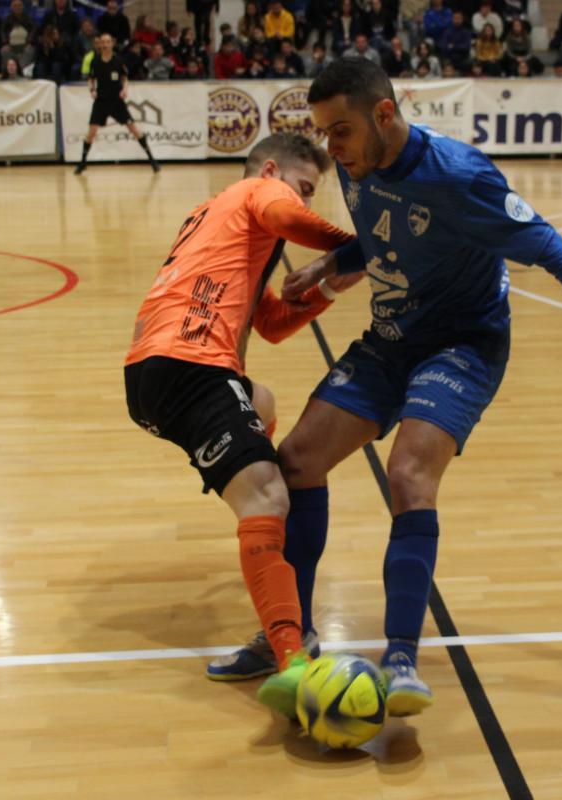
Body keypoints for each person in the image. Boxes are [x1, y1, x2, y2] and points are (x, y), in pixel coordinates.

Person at [209, 56, 562, 713]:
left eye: (339, 131)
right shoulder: (358, 160)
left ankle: (401, 658)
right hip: (390, 340)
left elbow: (560, 253)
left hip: (462, 345)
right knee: (298, 462)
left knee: (408, 477)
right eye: (323, 133)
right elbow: (385, 235)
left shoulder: (460, 176)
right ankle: (294, 631)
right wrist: (331, 263)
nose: (330, 148)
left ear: (385, 114)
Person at [124, 132, 364, 711]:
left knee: (263, 406)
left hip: (158, 372)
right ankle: (292, 658)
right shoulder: (257, 193)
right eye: (305, 189)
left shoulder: (222, 223)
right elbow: (285, 210)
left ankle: (257, 504)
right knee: (268, 500)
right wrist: (361, 249)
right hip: (190, 365)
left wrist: (330, 283)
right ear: (273, 170)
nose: (305, 203)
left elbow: (274, 325)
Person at [75, 33, 159, 175]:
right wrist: (92, 90)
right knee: (91, 132)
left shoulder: (118, 60)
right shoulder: (95, 61)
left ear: (112, 43)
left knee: (134, 129)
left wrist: (124, 90)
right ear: (100, 44)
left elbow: (125, 78)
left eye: (108, 42)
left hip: (116, 101)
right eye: (103, 42)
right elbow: (90, 79)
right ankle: (82, 163)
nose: (106, 44)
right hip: (101, 101)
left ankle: (152, 161)